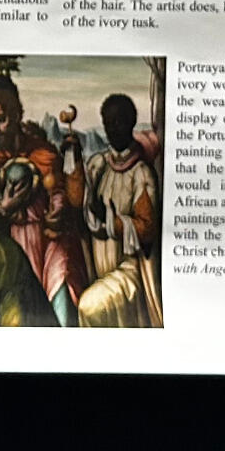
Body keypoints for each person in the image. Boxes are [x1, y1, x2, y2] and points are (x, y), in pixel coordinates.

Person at [0, 77, 87, 327]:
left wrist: (57, 209)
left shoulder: (42, 152)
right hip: (19, 245)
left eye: (1, 120)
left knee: (60, 290)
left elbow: (57, 189)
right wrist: (2, 207)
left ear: (17, 115)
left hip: (50, 242)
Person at [77, 93, 161, 329]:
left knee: (89, 306)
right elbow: (78, 203)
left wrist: (113, 221)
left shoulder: (141, 173)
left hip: (130, 271)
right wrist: (72, 161)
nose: (113, 129)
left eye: (119, 122)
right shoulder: (98, 165)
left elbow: (146, 228)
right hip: (100, 269)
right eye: (108, 123)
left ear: (131, 123)